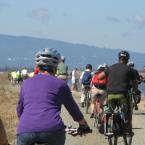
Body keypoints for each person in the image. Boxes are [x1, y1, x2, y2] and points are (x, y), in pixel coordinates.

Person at [16, 48, 91, 145]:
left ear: (38, 66)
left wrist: (29, 123)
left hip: (26, 130)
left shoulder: (26, 83)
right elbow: (72, 108)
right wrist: (83, 124)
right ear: (56, 67)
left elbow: (19, 110)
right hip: (52, 130)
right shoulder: (61, 84)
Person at [98, 50, 136, 135]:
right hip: (123, 95)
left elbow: (100, 77)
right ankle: (128, 129)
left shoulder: (110, 68)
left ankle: (104, 125)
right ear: (127, 59)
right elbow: (135, 83)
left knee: (108, 110)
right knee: (128, 111)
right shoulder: (130, 70)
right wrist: (135, 89)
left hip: (110, 94)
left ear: (119, 58)